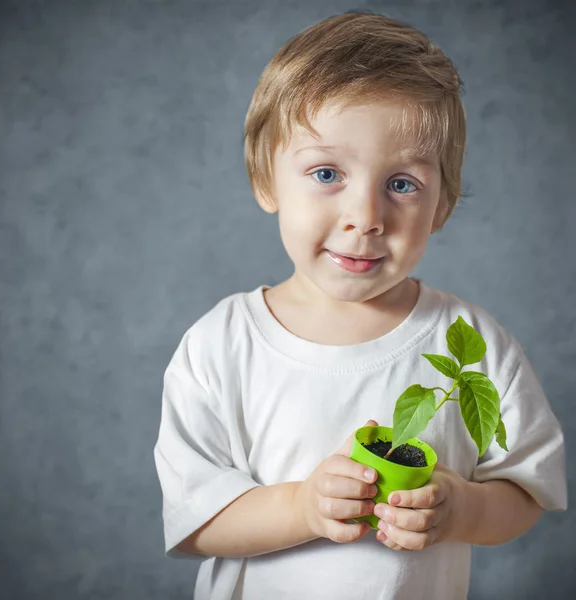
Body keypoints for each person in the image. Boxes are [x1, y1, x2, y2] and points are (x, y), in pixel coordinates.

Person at [153, 11, 567, 600]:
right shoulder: (221, 346)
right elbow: (196, 522)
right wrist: (303, 506)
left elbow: (527, 491)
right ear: (266, 179)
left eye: (402, 184)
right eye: (327, 173)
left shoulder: (470, 343)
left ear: (442, 204)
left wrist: (464, 508)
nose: (367, 218)